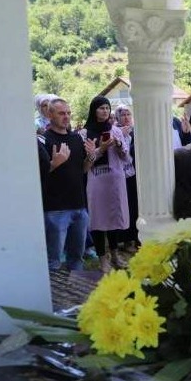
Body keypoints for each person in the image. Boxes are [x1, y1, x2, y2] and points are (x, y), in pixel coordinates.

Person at [80, 96, 131, 273]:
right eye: (101, 108)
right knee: (98, 219)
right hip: (96, 182)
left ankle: (115, 255)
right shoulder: (85, 134)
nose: (105, 111)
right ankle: (103, 259)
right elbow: (85, 165)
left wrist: (118, 147)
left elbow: (126, 158)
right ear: (94, 110)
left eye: (107, 108)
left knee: (114, 218)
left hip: (115, 180)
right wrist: (101, 149)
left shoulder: (116, 131)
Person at [40, 98, 92, 271]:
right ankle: (53, 297)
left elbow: (83, 169)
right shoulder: (43, 140)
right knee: (53, 262)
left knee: (76, 259)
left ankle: (76, 296)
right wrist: (54, 164)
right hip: (55, 209)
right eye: (61, 113)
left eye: (68, 113)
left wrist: (91, 157)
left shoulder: (76, 138)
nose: (66, 117)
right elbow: (38, 176)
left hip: (79, 206)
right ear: (49, 114)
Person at [114, 104, 139, 253]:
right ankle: (125, 240)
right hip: (120, 175)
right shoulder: (115, 133)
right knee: (124, 207)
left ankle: (136, 238)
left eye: (128, 114)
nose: (126, 117)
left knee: (135, 206)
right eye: (123, 115)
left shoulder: (137, 131)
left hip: (136, 175)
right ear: (117, 118)